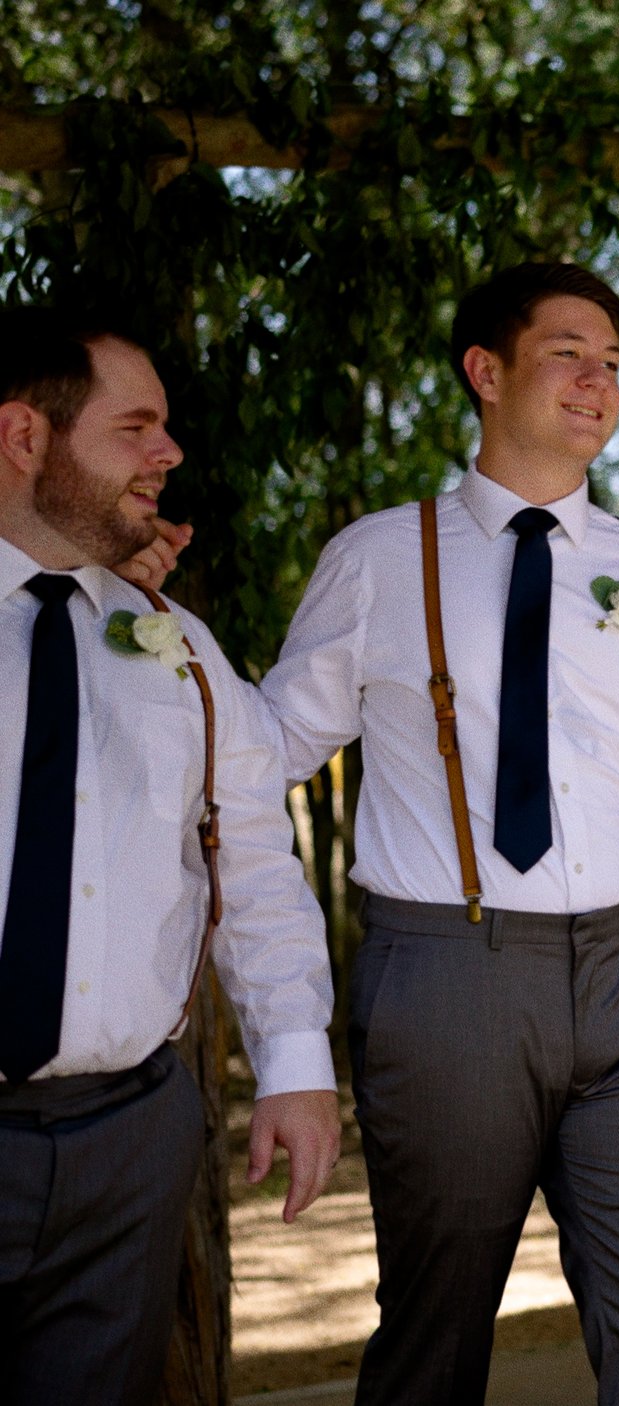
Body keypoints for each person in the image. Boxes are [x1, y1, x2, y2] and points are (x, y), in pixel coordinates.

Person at [257, 263, 619, 1404]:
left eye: (611, 360)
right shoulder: (377, 559)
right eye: (567, 352)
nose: (597, 379)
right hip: (445, 977)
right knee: (435, 1338)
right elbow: (259, 762)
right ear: (486, 371)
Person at [0, 309, 338, 1404]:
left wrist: (294, 1059)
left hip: (128, 1142)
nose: (170, 454)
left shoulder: (181, 650)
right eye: (134, 428)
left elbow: (253, 863)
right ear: (25, 437)